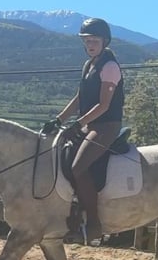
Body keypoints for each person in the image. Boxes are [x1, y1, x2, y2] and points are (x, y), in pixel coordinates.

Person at [42, 17, 124, 244]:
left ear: (104, 41)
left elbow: (104, 105)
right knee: (60, 156)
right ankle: (72, 218)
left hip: (106, 125)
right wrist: (58, 120)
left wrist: (77, 125)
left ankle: (95, 225)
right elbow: (80, 99)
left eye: (94, 40)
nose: (89, 44)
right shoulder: (89, 65)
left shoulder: (109, 66)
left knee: (79, 167)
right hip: (89, 124)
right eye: (86, 40)